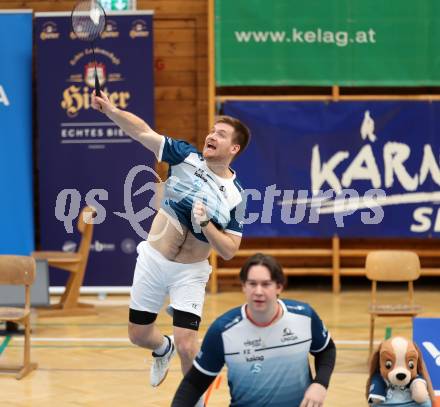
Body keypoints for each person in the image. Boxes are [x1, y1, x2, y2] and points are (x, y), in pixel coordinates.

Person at [91, 92, 251, 394]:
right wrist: (111, 111)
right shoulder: (185, 156)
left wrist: (207, 225)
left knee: (188, 345)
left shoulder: (236, 196)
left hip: (190, 272)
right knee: (138, 335)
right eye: (212, 130)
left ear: (234, 148)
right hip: (154, 259)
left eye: (221, 134)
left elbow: (229, 251)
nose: (211, 136)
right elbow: (142, 132)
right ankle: (162, 348)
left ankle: (195, 400)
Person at [172, 253, 337, 407]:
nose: (258, 291)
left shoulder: (305, 316)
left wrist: (320, 383)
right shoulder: (223, 330)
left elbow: (327, 350)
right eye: (252, 284)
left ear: (279, 287)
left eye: (266, 284)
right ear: (244, 286)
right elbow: (193, 384)